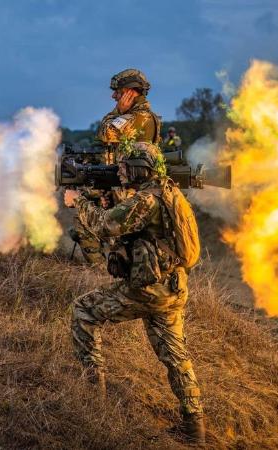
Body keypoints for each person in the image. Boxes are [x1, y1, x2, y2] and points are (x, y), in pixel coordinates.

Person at [63, 145, 206, 443]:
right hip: (172, 287)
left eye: (127, 166)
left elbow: (106, 226)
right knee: (176, 356)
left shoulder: (146, 199)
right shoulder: (169, 193)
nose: (121, 170)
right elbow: (133, 225)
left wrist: (79, 203)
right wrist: (108, 199)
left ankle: (93, 404)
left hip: (148, 290)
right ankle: (195, 429)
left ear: (142, 168)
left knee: (83, 311)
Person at [70, 68, 162, 265]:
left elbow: (105, 132)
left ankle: (100, 269)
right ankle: (107, 268)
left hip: (133, 191)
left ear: (130, 92)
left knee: (102, 226)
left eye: (117, 92)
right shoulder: (135, 116)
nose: (114, 96)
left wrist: (118, 111)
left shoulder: (140, 117)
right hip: (126, 186)